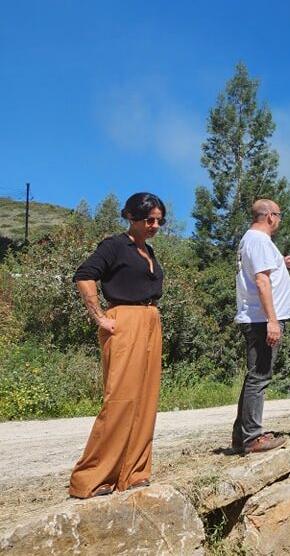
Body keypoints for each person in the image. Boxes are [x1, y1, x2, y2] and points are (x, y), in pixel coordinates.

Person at [70, 192, 167, 498]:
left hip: (151, 319)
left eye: (159, 221)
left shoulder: (148, 250)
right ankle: (92, 478)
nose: (155, 226)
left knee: (146, 399)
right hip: (124, 318)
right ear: (130, 217)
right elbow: (84, 276)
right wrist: (100, 317)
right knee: (121, 398)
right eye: (149, 220)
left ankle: (133, 472)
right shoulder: (114, 245)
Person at [231, 199, 290, 454]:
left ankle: (242, 436)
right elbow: (261, 281)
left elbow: (264, 273)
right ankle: (251, 438)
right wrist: (272, 320)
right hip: (261, 320)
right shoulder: (258, 240)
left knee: (255, 378)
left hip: (259, 318)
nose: (279, 220)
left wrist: (282, 264)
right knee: (259, 378)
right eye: (279, 215)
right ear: (270, 216)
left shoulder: (253, 240)